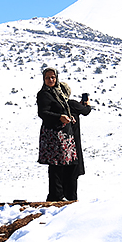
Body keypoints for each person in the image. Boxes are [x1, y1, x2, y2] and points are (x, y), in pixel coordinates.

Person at [37, 67, 78, 201]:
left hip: (64, 134)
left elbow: (64, 108)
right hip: (53, 135)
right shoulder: (44, 94)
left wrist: (69, 117)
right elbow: (43, 113)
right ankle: (55, 196)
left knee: (66, 164)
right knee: (55, 165)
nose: (50, 80)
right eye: (48, 78)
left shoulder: (59, 93)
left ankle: (65, 195)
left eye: (53, 77)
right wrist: (59, 117)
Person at [60, 82, 93, 201]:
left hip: (60, 144)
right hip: (73, 142)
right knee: (72, 174)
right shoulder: (72, 104)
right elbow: (86, 111)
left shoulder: (57, 105)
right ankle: (71, 198)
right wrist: (86, 104)